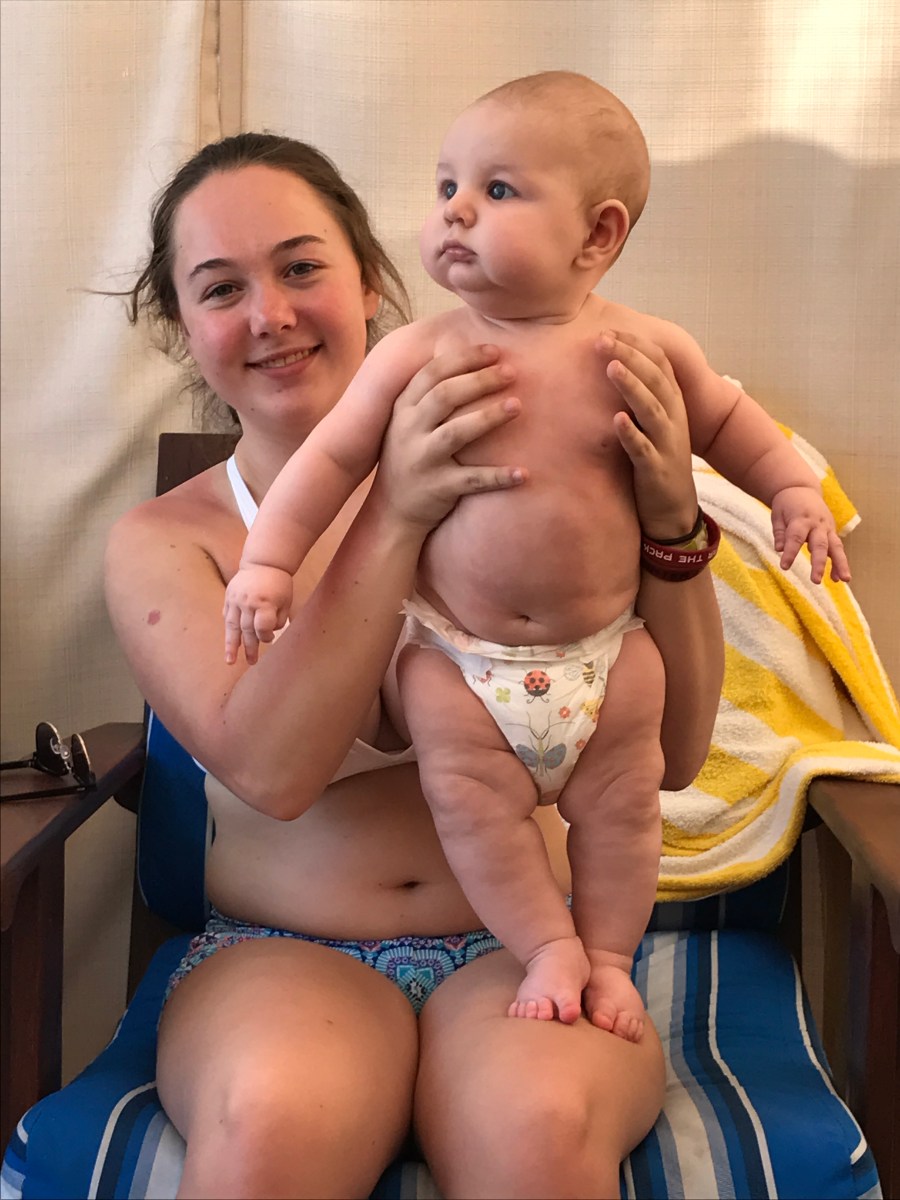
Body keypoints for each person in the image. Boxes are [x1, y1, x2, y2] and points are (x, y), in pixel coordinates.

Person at [105, 128, 723, 1199]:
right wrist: (396, 510)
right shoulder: (165, 543)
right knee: (273, 1123)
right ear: (182, 327)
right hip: (281, 950)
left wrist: (673, 521)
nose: (271, 315)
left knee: (534, 1132)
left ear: (369, 280)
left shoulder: (544, 475)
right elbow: (275, 773)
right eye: (221, 289)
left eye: (301, 268)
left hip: (533, 949)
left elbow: (677, 752)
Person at [222, 72, 850, 1039]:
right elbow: (330, 460)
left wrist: (794, 491)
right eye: (445, 187)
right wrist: (267, 563)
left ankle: (608, 957)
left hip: (609, 656)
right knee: (470, 803)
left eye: (498, 189)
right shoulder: (416, 355)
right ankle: (548, 946)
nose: (455, 210)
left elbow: (728, 422)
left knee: (625, 811)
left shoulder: (643, 347)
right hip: (463, 665)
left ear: (597, 235)